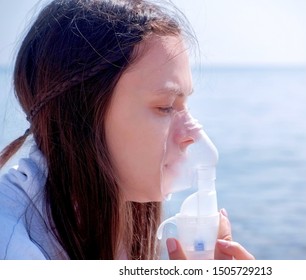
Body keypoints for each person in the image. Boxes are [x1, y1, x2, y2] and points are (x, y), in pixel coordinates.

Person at [0, 0, 254, 260]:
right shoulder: (12, 248)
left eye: (185, 104)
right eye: (165, 107)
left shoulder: (113, 210)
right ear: (82, 112)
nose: (193, 136)